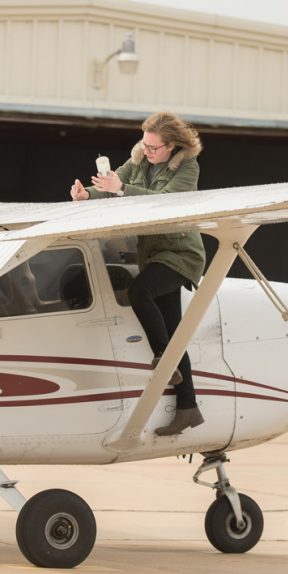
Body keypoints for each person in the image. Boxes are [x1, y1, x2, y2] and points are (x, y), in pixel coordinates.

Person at [70, 111, 206, 436]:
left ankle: (164, 359)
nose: (146, 151)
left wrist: (122, 189)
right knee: (173, 332)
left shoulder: (187, 167)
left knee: (138, 292)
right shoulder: (138, 160)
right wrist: (88, 194)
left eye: (153, 147)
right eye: (144, 144)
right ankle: (188, 408)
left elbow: (167, 203)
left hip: (180, 254)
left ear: (171, 146)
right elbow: (113, 187)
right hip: (153, 254)